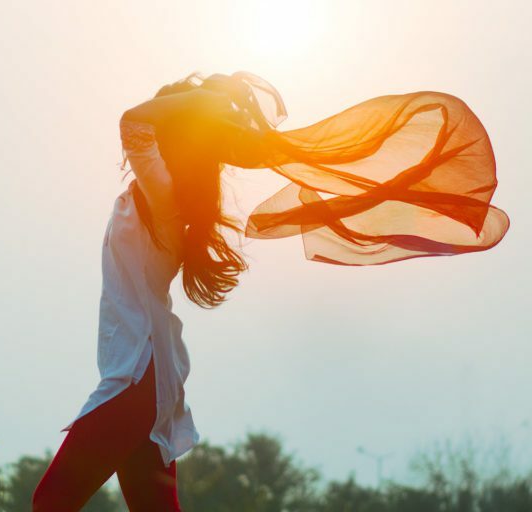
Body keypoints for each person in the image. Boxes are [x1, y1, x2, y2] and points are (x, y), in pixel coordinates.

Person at [31, 71, 509, 512]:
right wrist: (203, 104)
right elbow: (144, 124)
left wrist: (204, 101)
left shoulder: (164, 193)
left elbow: (134, 121)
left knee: (50, 503)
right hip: (146, 378)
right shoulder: (166, 195)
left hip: (137, 376)